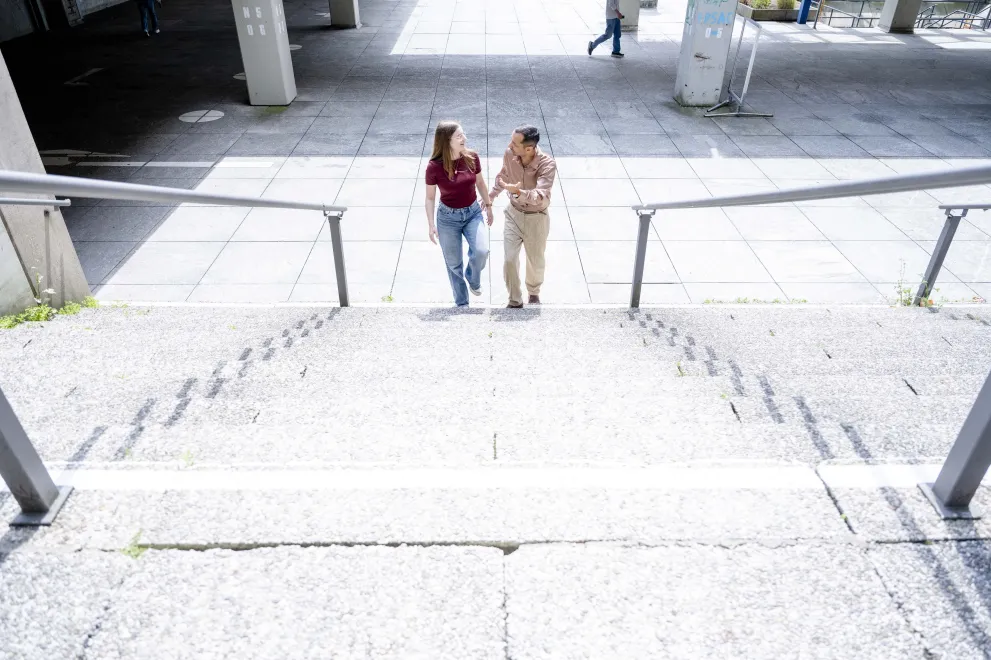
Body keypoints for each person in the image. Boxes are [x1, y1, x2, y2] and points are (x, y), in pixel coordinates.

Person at [424, 121, 494, 307]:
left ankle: (473, 277)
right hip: (447, 218)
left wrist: (488, 205)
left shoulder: (472, 157)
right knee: (454, 265)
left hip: (472, 213)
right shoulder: (434, 167)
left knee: (482, 250)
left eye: (463, 134)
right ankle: (462, 305)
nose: (465, 138)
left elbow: (480, 183)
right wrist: (431, 225)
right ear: (447, 141)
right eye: (459, 136)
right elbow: (430, 198)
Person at [489, 126, 557, 309]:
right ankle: (514, 300)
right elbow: (504, 175)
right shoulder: (509, 154)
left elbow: (541, 195)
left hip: (537, 217)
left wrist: (519, 192)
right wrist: (492, 194)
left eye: (514, 143)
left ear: (529, 148)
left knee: (535, 261)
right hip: (514, 214)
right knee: (509, 259)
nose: (509, 145)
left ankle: (533, 292)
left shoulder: (547, 164)